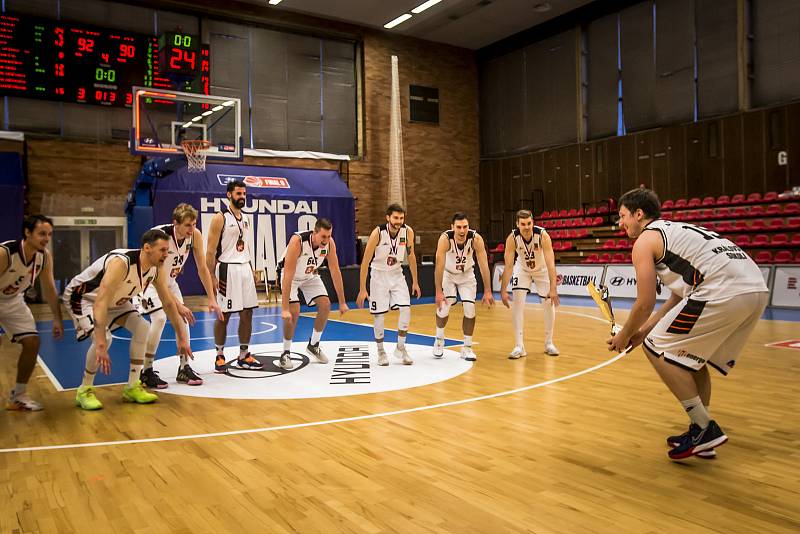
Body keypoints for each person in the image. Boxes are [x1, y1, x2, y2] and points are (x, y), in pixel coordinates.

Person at [608, 188, 769, 460]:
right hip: (754, 288)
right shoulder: (676, 230)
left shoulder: (645, 241)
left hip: (722, 289)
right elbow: (678, 296)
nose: (620, 223)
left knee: (655, 348)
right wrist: (640, 332)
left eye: (623, 216)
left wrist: (625, 335)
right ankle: (701, 430)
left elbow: (645, 303)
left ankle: (705, 428)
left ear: (639, 214)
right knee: (691, 358)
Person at [63, 229, 194, 410]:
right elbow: (101, 301)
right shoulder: (121, 263)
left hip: (116, 301)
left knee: (143, 328)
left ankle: (132, 386)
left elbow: (168, 302)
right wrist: (100, 341)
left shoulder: (156, 269)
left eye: (168, 250)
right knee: (105, 338)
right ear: (147, 248)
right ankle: (84, 390)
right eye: (163, 250)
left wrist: (181, 336)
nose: (167, 254)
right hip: (84, 298)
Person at [138, 203, 223, 388]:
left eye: (194, 224)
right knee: (159, 319)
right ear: (175, 223)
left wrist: (211, 297)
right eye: (187, 225)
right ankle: (146, 370)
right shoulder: (161, 237)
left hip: (170, 282)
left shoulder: (195, 236)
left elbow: (202, 268)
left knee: (184, 320)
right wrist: (178, 304)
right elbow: (158, 281)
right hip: (151, 282)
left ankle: (184, 368)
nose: (192, 229)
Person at [0, 215, 63, 411]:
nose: (46, 238)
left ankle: (18, 396)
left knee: (32, 342)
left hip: (13, 301)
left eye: (49, 234)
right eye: (42, 234)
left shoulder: (43, 257)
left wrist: (57, 319)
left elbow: (50, 289)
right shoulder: (5, 253)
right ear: (27, 233)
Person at [205, 180, 263, 372]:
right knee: (224, 315)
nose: (242, 197)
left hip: (244, 268)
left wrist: (252, 268)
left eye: (244, 194)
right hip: (226, 269)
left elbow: (245, 246)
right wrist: (211, 277)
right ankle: (219, 355)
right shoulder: (219, 218)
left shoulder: (246, 218)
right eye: (239, 194)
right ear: (229, 195)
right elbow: (210, 251)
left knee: (248, 313)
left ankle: (244, 355)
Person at [277, 218, 349, 369]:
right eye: (323, 236)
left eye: (329, 236)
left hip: (309, 275)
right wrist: (284, 308)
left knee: (325, 305)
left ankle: (314, 345)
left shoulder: (329, 244)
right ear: (315, 233)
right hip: (289, 275)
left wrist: (342, 302)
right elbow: (288, 274)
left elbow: (335, 271)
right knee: (294, 310)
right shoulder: (297, 241)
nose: (326, 240)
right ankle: (285, 353)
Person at [356, 204, 421, 366]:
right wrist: (363, 289)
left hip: (397, 274)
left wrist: (415, 281)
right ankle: (380, 351)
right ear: (388, 217)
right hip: (378, 275)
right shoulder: (378, 233)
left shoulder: (408, 232)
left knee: (406, 308)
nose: (398, 221)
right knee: (379, 315)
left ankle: (400, 347)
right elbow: (365, 262)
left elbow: (411, 256)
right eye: (395, 218)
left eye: (401, 218)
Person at [432, 213, 494, 361]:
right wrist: (438, 291)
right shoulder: (445, 239)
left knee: (470, 309)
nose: (462, 230)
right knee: (445, 306)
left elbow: (484, 265)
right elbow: (439, 266)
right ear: (452, 227)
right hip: (448, 274)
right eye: (458, 227)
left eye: (465, 227)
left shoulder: (476, 239)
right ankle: (439, 339)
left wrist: (487, 290)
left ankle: (467, 347)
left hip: (466, 275)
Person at [499, 209, 560, 358]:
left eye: (529, 223)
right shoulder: (512, 238)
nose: (527, 227)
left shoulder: (543, 236)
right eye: (523, 224)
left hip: (542, 269)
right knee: (518, 304)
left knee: (548, 305)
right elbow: (508, 266)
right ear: (517, 224)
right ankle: (519, 346)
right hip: (523, 269)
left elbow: (551, 263)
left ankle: (549, 343)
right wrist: (503, 291)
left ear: (533, 222)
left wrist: (553, 288)